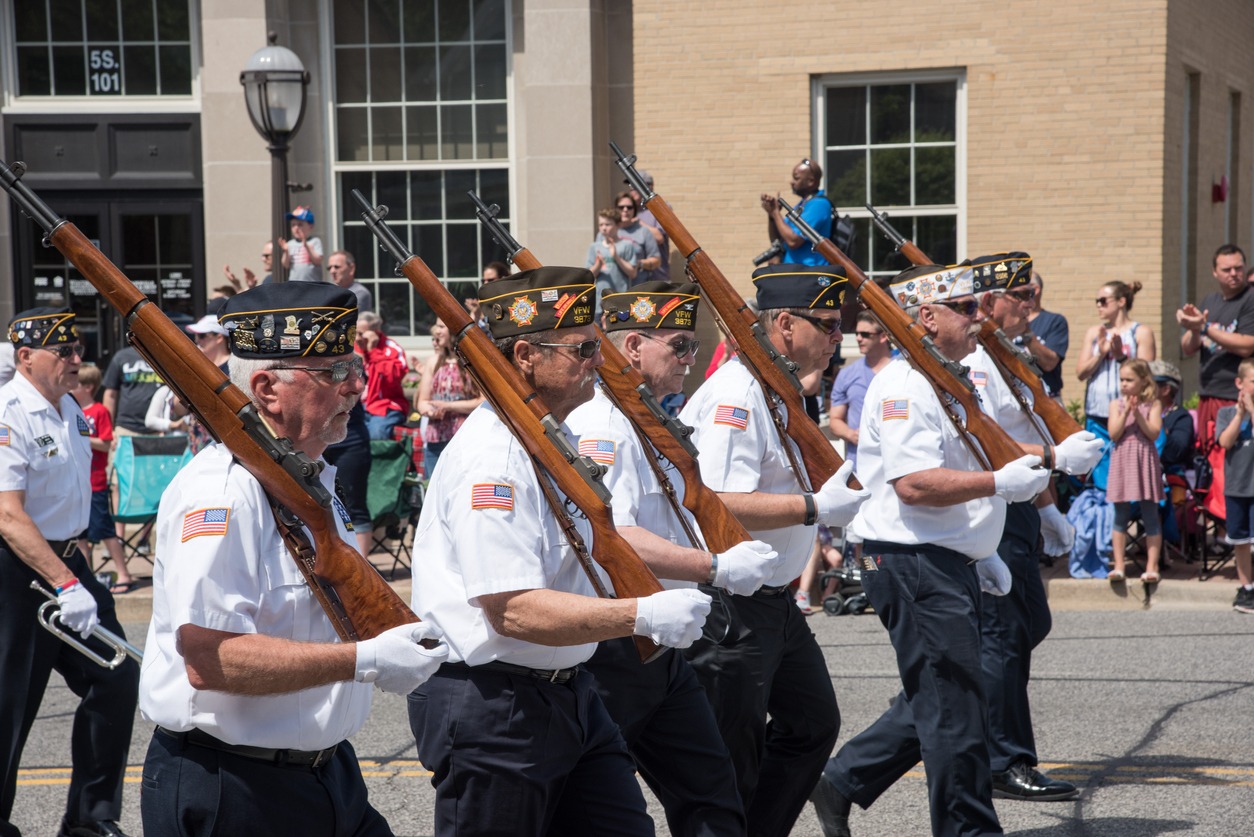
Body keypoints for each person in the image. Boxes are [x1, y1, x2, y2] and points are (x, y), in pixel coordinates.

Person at [407, 266, 712, 836]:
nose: (599, 360)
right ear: (525, 354)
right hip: (495, 704)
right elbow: (513, 608)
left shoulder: (552, 435)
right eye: (583, 349)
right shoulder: (493, 458)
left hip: (568, 690)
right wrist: (640, 614)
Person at [139, 282, 448, 837]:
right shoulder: (222, 494)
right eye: (333, 371)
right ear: (266, 389)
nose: (357, 385)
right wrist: (364, 660)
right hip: (237, 790)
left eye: (354, 364)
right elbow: (210, 658)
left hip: (329, 776)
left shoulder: (310, 479)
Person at [811, 263, 1051, 837]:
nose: (979, 316)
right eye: (966, 309)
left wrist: (979, 545)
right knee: (957, 710)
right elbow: (914, 484)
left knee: (946, 696)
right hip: (908, 559)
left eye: (977, 306)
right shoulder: (903, 385)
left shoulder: (947, 377)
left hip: (942, 555)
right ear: (925, 317)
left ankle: (842, 780)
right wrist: (1000, 486)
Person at [567, 281, 778, 835]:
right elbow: (613, 532)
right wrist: (715, 567)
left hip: (663, 638)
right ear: (633, 346)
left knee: (712, 794)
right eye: (680, 345)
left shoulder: (642, 415)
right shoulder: (601, 424)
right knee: (588, 806)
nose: (691, 358)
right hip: (619, 642)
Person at [679, 263, 870, 836]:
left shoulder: (779, 388)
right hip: (731, 606)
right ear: (785, 324)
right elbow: (715, 499)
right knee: (730, 765)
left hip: (775, 603)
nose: (840, 338)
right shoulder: (735, 395)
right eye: (828, 325)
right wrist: (812, 509)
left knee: (812, 725)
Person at [964, 253, 1103, 804]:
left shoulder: (1009, 355)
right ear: (988, 304)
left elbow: (1026, 436)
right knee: (1002, 639)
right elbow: (989, 446)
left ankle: (972, 736)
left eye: (1030, 294)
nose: (1030, 303)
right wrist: (1054, 457)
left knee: (1027, 626)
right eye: (1018, 296)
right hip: (991, 507)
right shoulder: (976, 363)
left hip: (1021, 505)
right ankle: (1006, 759)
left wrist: (1048, 509)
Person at [0, 308, 140, 837]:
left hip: (66, 562)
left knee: (117, 677)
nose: (77, 360)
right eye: (64, 352)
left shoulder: (72, 410)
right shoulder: (9, 412)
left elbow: (71, 498)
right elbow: (8, 514)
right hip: (16, 570)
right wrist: (62, 582)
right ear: (26, 357)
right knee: (9, 705)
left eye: (78, 350)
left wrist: (75, 573)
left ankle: (90, 817)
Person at [1075, 280, 1156, 487]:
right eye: (1097, 301)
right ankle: (1107, 516)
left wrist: (1120, 356)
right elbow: (1081, 373)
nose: (1099, 305)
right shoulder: (1095, 332)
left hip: (1129, 414)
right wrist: (1101, 354)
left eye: (1103, 300)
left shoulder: (1141, 332)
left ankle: (1125, 514)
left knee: (1128, 474)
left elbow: (1145, 374)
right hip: (1098, 412)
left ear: (1121, 301)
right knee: (1101, 475)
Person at [1179, 244, 1254, 454]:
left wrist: (1203, 327)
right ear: (1214, 272)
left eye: (1238, 268)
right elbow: (1187, 348)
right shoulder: (1210, 301)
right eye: (1226, 269)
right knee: (1209, 460)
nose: (1234, 274)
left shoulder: (1250, 299)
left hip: (1237, 397)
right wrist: (1194, 328)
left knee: (1234, 460)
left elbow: (1247, 345)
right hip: (1208, 394)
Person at [71, 365, 134, 594]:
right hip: (76, 483)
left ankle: (124, 573)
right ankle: (87, 579)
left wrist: (81, 439)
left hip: (95, 483)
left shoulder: (99, 411)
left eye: (75, 383)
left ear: (87, 387)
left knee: (106, 531)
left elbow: (107, 443)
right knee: (80, 537)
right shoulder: (70, 408)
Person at [1106, 358, 1165, 584]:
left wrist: (1138, 413)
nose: (1124, 384)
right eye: (1122, 379)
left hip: (1144, 460)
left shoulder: (1154, 404)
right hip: (1122, 460)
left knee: (1150, 514)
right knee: (1120, 516)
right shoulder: (1115, 405)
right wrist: (1125, 412)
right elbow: (1113, 433)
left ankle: (1152, 566)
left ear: (1143, 381)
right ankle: (1119, 564)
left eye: (1129, 380)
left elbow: (1153, 433)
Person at [415, 317, 484, 478]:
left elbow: (483, 401)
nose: (437, 331)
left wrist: (448, 406)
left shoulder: (473, 362)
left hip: (466, 439)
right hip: (436, 440)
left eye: (441, 327)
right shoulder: (433, 362)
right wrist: (430, 412)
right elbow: (422, 402)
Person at [1215, 356, 1254, 612]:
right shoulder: (1226, 412)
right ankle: (1247, 587)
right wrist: (1240, 415)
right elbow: (1225, 442)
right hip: (1237, 488)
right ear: (1239, 383)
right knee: (1240, 540)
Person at [830, 310, 892, 470]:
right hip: (860, 466)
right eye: (857, 333)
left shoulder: (904, 370)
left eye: (864, 334)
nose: (858, 338)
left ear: (883, 336)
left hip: (898, 463)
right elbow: (835, 420)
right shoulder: (847, 374)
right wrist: (853, 435)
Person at [759, 158, 832, 266]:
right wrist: (772, 215)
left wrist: (775, 213)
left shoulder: (819, 204)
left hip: (809, 275)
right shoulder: (803, 204)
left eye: (796, 178)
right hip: (795, 274)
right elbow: (777, 241)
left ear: (811, 180)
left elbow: (793, 241)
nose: (791, 182)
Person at [355, 311, 409, 441]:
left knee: (376, 433)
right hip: (357, 406)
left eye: (361, 334)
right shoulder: (353, 348)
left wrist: (373, 351)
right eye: (355, 333)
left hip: (385, 407)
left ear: (375, 332)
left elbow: (392, 380)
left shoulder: (392, 349)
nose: (356, 338)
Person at [1015, 271, 1068, 398]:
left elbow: (1049, 364)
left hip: (1047, 398)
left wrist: (1026, 332)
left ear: (1035, 289)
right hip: (1016, 399)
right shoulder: (1009, 321)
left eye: (1020, 291)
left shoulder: (1055, 321)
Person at [584, 207, 639, 309]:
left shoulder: (627, 245)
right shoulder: (594, 247)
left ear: (618, 225)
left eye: (608, 224)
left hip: (620, 300)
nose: (604, 228)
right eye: (601, 225)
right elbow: (588, 276)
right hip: (598, 302)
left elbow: (633, 273)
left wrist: (616, 257)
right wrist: (598, 265)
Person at [623, 169, 671, 281]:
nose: (631, 190)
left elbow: (659, 237)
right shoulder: (627, 210)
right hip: (634, 280)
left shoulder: (661, 208)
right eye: (630, 186)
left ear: (649, 188)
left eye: (634, 186)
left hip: (658, 277)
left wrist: (636, 221)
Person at [1151, 360, 1193, 475]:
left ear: (1165, 389)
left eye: (1149, 384)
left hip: (1169, 481)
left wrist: (1158, 423)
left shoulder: (1182, 417)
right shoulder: (1139, 413)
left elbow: (1176, 454)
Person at [614, 191, 662, 284]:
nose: (625, 210)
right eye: (621, 207)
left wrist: (638, 263)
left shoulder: (643, 231)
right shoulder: (608, 230)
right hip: (614, 289)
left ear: (634, 210)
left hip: (638, 288)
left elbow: (657, 261)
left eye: (629, 207)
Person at [282, 206, 324, 282]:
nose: (296, 228)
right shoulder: (290, 244)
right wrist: (286, 251)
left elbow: (318, 260)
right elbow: (286, 265)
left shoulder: (315, 241)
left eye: (300, 224)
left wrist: (306, 246)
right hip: (295, 285)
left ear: (311, 227)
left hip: (312, 284)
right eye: (293, 225)